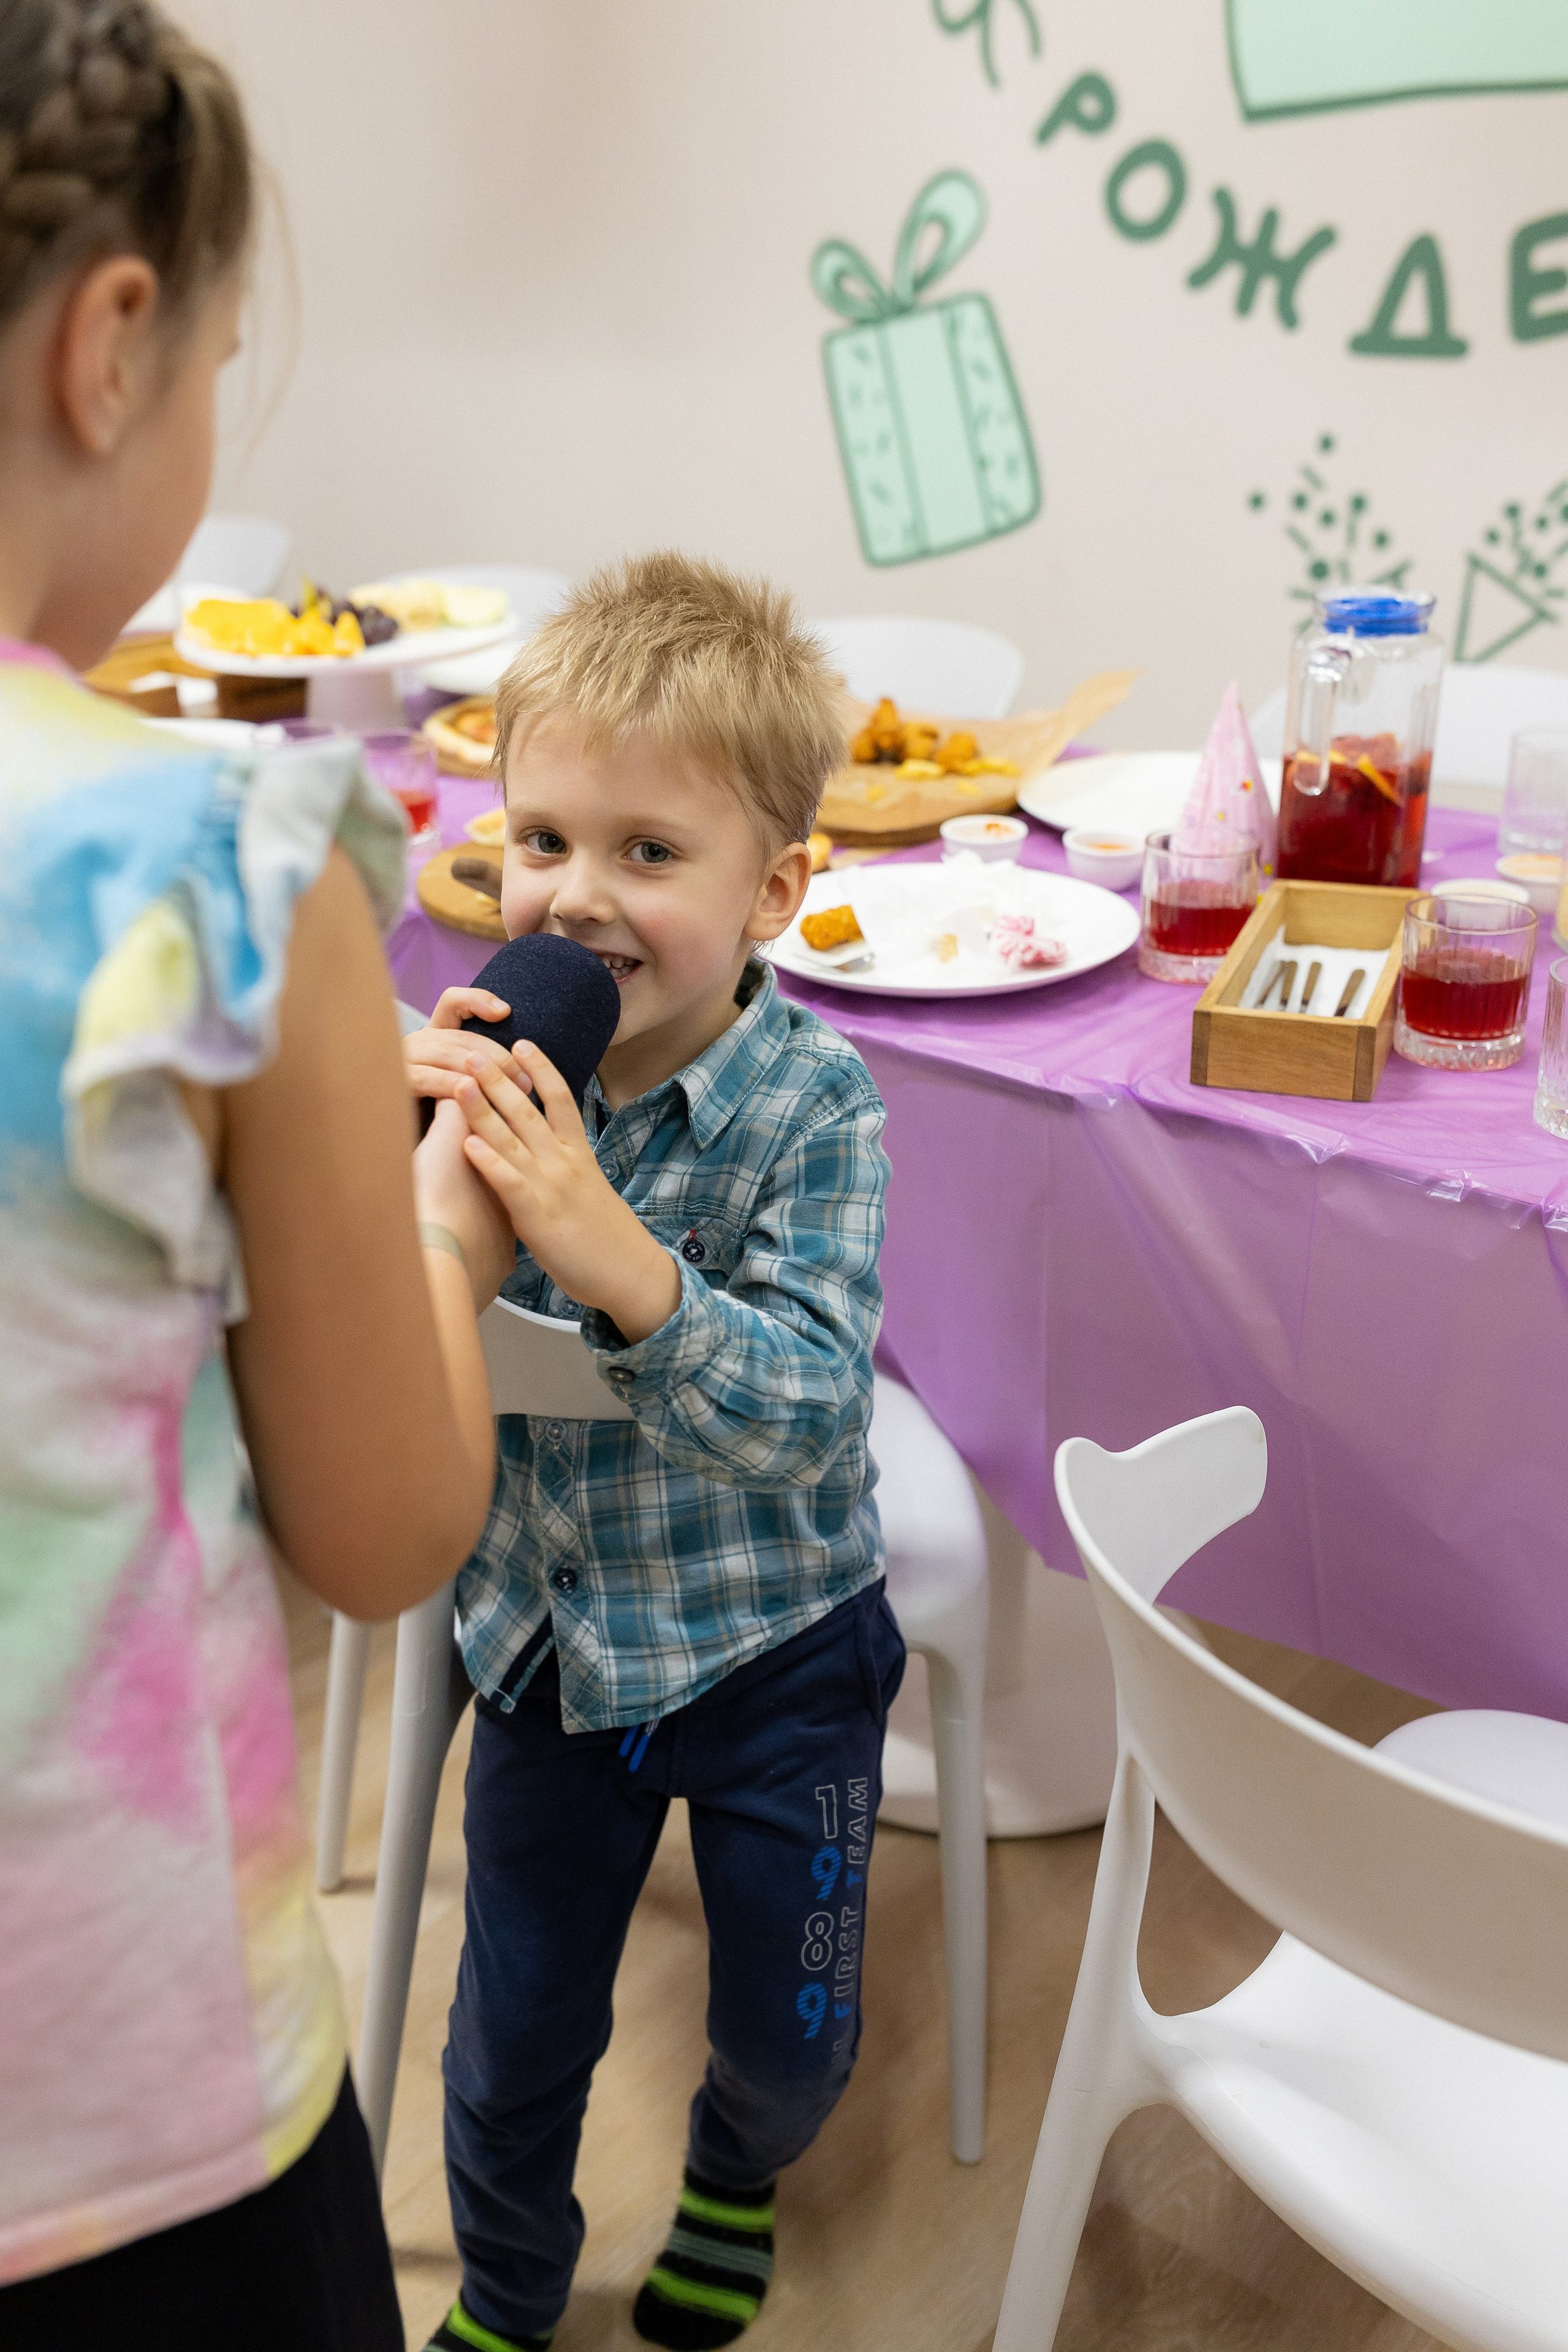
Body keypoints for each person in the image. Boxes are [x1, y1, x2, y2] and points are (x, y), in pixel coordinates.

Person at [0, 6, 514, 2346]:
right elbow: (388, 1526)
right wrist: (441, 1205)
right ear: (112, 348)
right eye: (216, 366)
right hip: (126, 2131)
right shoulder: (210, 863)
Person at [402, 552, 903, 2352]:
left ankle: (736, 2173)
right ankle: (513, 2290)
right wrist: (408, 1146)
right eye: (542, 838)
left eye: (648, 854)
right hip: (548, 1654)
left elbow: (807, 1411)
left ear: (776, 889)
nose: (576, 896)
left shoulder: (816, 1106)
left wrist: (603, 1240)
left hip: (781, 1650)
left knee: (794, 2030)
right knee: (510, 2038)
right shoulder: (493, 1061)